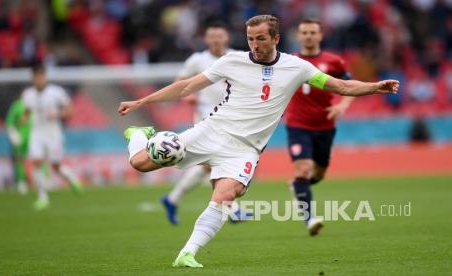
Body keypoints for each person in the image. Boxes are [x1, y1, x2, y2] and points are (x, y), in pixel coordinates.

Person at [118, 15, 399, 268]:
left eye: (261, 38)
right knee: (140, 163)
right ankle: (138, 134)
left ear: (276, 38)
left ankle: (187, 254)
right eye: (251, 38)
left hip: (244, 150)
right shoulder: (231, 61)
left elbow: (340, 85)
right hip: (212, 131)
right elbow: (186, 86)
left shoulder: (296, 67)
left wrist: (374, 87)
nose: (255, 44)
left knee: (226, 196)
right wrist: (142, 101)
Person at [161, 22, 250, 225]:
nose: (216, 40)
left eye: (220, 36)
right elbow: (180, 82)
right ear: (206, 39)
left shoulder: (237, 57)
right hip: (205, 118)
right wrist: (187, 98)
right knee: (216, 163)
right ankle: (232, 209)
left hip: (231, 119)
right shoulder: (197, 60)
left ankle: (171, 199)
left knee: (207, 166)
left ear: (226, 38)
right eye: (212, 36)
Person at [284, 18, 354, 236]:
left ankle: (298, 187)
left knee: (319, 174)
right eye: (304, 32)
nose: (309, 36)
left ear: (320, 35)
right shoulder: (289, 60)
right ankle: (310, 218)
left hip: (325, 125)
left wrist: (342, 105)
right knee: (303, 169)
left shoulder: (334, 61)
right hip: (298, 124)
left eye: (313, 32)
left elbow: (349, 85)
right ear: (298, 35)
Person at [22, 64, 83, 210]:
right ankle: (43, 197)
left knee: (55, 166)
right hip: (36, 133)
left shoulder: (56, 92)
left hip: (53, 133)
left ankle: (70, 178)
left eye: (41, 76)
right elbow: (27, 111)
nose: (39, 79)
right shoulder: (28, 94)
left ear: (45, 77)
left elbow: (70, 110)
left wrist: (57, 114)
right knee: (36, 163)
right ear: (33, 78)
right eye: (37, 77)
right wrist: (24, 119)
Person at [5, 99, 32, 195]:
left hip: (35, 137)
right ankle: (21, 182)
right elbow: (9, 121)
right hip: (21, 138)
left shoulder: (38, 103)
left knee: (40, 158)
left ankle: (43, 180)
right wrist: (13, 134)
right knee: (20, 160)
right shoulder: (17, 106)